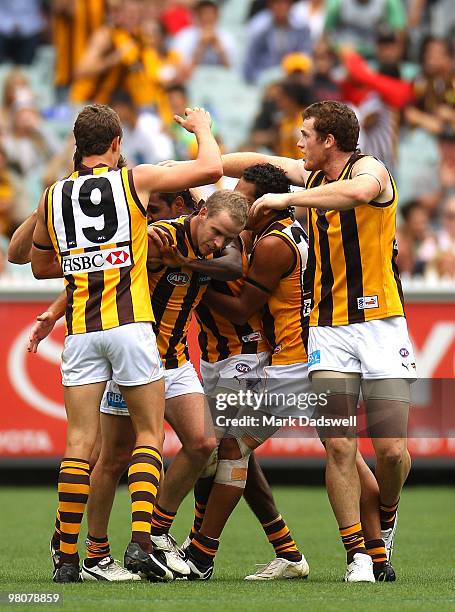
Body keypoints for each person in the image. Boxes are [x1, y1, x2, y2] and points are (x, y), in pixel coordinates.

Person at [29, 101, 223, 583]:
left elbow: (37, 265)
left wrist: (86, 260)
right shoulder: (131, 180)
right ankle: (141, 542)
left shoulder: (50, 195)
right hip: (133, 327)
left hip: (81, 331)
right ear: (116, 145)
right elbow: (212, 169)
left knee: (80, 445)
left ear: (78, 146)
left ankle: (69, 560)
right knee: (148, 435)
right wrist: (202, 128)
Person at [239, 100, 415, 582]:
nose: (298, 144)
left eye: (305, 135)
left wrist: (285, 200)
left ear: (329, 141)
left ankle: (389, 511)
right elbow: (254, 162)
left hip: (381, 326)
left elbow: (356, 194)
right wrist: (193, 159)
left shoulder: (370, 170)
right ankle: (359, 554)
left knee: (393, 452)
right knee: (338, 442)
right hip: (327, 330)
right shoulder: (311, 177)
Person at [189, 163, 310, 581]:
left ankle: (202, 554)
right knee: (231, 450)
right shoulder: (268, 231)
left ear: (268, 202)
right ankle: (293, 554)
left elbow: (243, 308)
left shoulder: (275, 244)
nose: (240, 203)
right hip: (288, 359)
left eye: (247, 197)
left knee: (231, 450)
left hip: (292, 366)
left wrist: (191, 278)